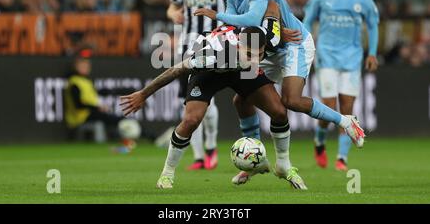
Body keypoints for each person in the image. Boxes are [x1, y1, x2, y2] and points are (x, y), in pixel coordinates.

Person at [194, 0, 365, 184]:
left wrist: (215, 15)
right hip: (265, 50)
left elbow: (252, 19)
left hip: (293, 45)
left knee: (291, 100)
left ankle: (346, 122)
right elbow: (236, 26)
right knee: (241, 100)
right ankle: (254, 159)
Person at [120, 25, 309, 190]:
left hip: (240, 70)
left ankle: (283, 164)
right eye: (250, 54)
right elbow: (175, 70)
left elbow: (273, 19)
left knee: (279, 111)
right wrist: (143, 94)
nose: (255, 60)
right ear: (239, 46)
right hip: (209, 74)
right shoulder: (211, 55)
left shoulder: (262, 39)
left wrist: (283, 33)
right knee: (191, 120)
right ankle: (167, 173)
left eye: (258, 55)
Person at [302, 0, 379, 171]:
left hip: (353, 59)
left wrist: (372, 53)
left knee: (348, 107)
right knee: (329, 106)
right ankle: (319, 140)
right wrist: (306, 46)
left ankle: (342, 158)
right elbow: (307, 21)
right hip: (326, 56)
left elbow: (373, 26)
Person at [166, 0, 231, 170]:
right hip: (187, 46)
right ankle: (198, 156)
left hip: (217, 43)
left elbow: (234, 3)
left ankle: (211, 148)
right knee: (189, 102)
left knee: (206, 99)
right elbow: (172, 8)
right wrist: (175, 14)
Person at [64, 48, 139, 153]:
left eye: (87, 65)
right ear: (76, 66)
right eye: (83, 65)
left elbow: (99, 93)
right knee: (114, 119)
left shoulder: (85, 81)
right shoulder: (74, 83)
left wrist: (125, 91)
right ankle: (135, 139)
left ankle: (128, 141)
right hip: (80, 117)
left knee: (112, 118)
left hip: (89, 114)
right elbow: (78, 105)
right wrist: (97, 107)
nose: (86, 67)